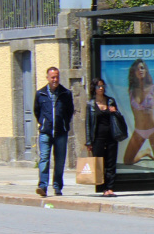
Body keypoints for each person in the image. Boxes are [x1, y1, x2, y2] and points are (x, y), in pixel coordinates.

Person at [123, 58, 154, 170]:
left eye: (142, 68)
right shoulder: (131, 90)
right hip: (138, 131)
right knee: (127, 161)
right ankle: (146, 152)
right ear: (133, 72)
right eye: (137, 69)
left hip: (153, 130)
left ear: (146, 70)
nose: (140, 70)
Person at [34, 66, 75, 197]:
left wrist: (63, 123)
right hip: (46, 132)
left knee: (60, 160)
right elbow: (37, 111)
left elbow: (69, 111)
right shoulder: (40, 93)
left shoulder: (65, 93)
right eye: (52, 77)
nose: (55, 80)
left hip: (61, 132)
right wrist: (43, 122)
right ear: (47, 78)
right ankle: (43, 186)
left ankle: (57, 186)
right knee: (44, 159)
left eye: (57, 77)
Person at [84, 78, 123, 197]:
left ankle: (109, 188)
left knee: (111, 163)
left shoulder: (110, 101)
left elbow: (119, 117)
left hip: (111, 136)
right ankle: (102, 187)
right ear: (94, 89)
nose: (101, 88)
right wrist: (88, 142)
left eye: (102, 86)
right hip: (98, 138)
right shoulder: (91, 104)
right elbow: (87, 124)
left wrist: (115, 111)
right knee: (99, 163)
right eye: (98, 86)